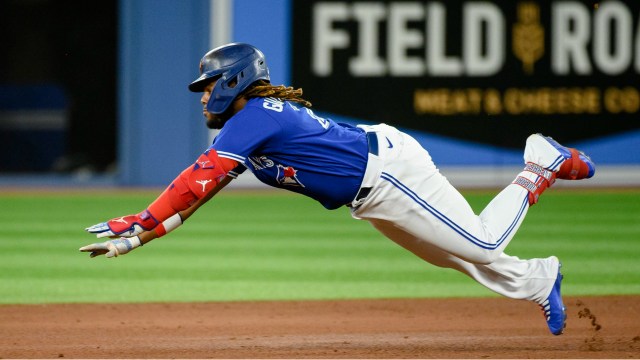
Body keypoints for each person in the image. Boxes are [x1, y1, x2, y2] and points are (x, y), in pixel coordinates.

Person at [81, 43, 595, 336]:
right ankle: (537, 279)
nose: (203, 97)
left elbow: (198, 177)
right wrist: (148, 234)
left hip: (390, 172)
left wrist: (145, 222)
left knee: (480, 243)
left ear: (235, 81)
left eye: (208, 86)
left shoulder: (254, 115)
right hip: (372, 189)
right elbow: (204, 190)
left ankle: (538, 163)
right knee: (451, 255)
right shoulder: (251, 124)